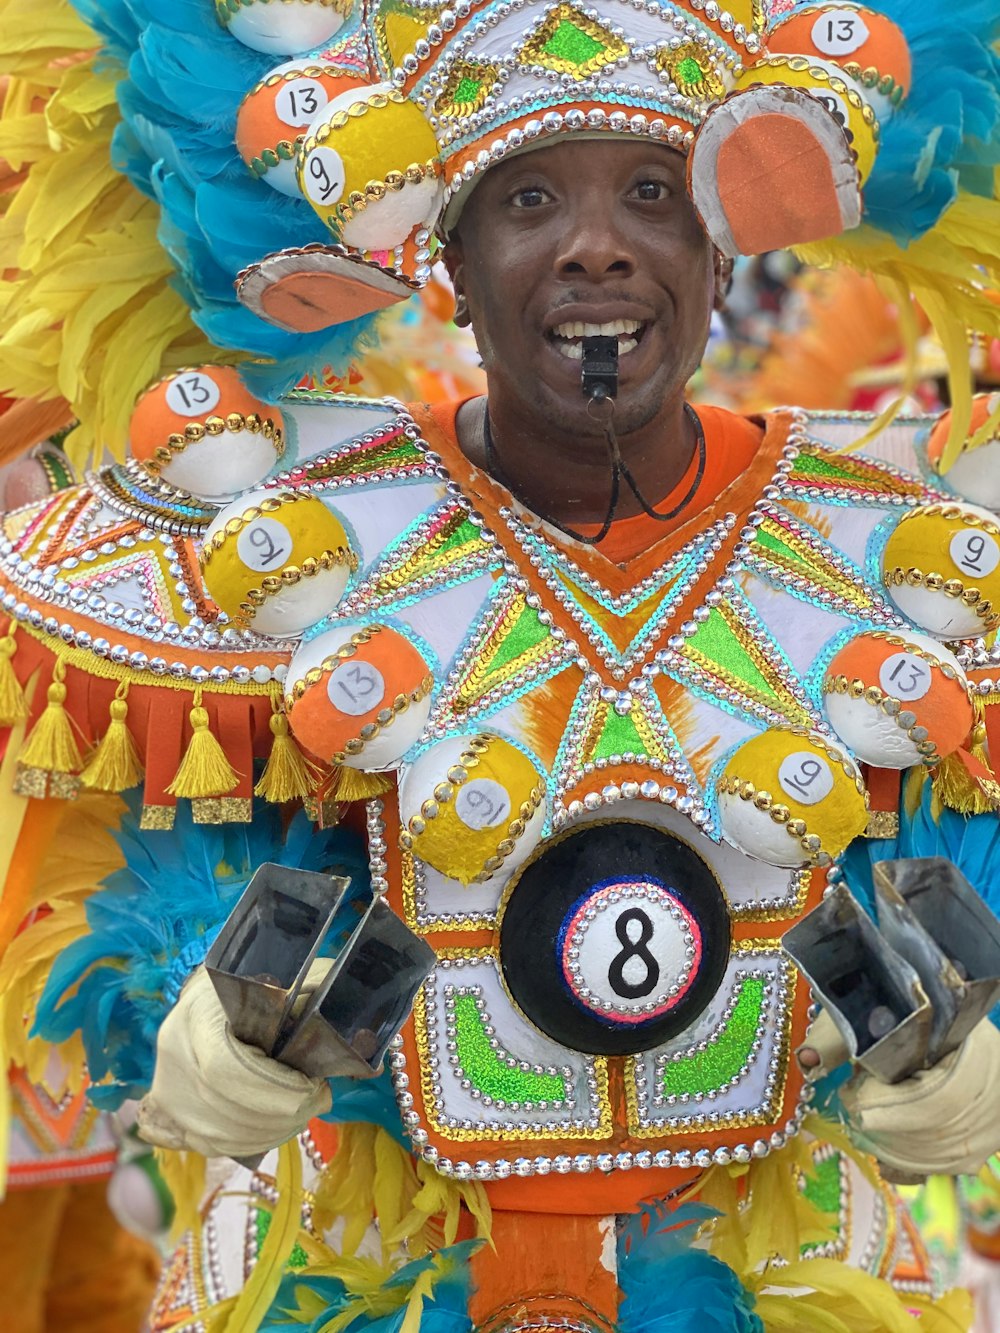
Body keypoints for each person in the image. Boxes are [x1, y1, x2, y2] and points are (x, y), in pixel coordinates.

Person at [4, 1, 1000, 1330]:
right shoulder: (273, 521)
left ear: (718, 253)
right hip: (352, 1262)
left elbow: (932, 886)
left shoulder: (898, 546)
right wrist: (186, 1005)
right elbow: (143, 884)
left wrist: (964, 1051)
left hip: (764, 1255)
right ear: (451, 270)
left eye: (654, 192)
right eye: (529, 197)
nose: (597, 246)